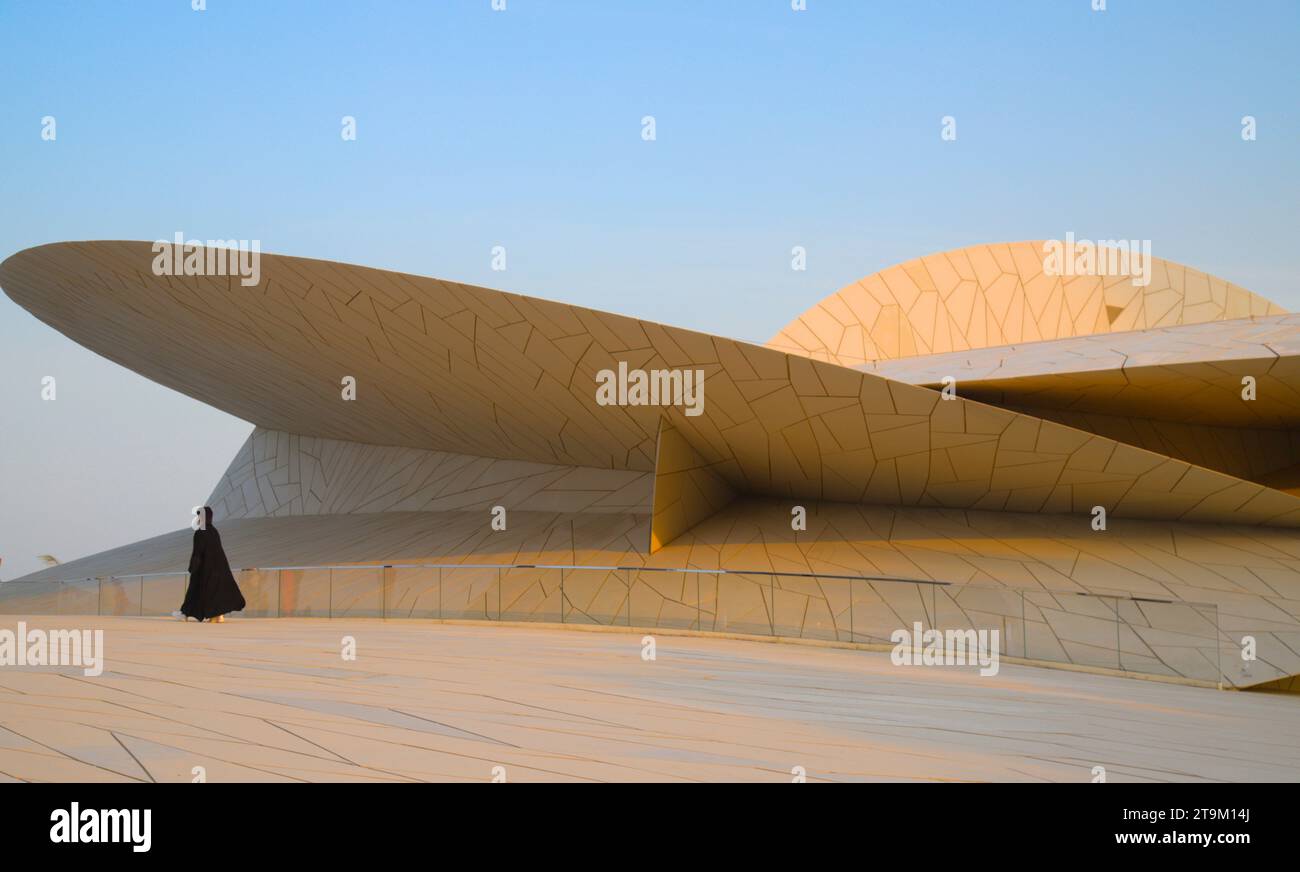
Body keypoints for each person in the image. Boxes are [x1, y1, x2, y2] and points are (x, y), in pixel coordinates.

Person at [179, 506, 246, 622]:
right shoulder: (214, 531)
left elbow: (197, 553)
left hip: (204, 570)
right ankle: (218, 615)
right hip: (219, 569)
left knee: (195, 592)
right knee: (215, 593)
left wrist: (192, 568)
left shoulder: (200, 532)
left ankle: (185, 613)